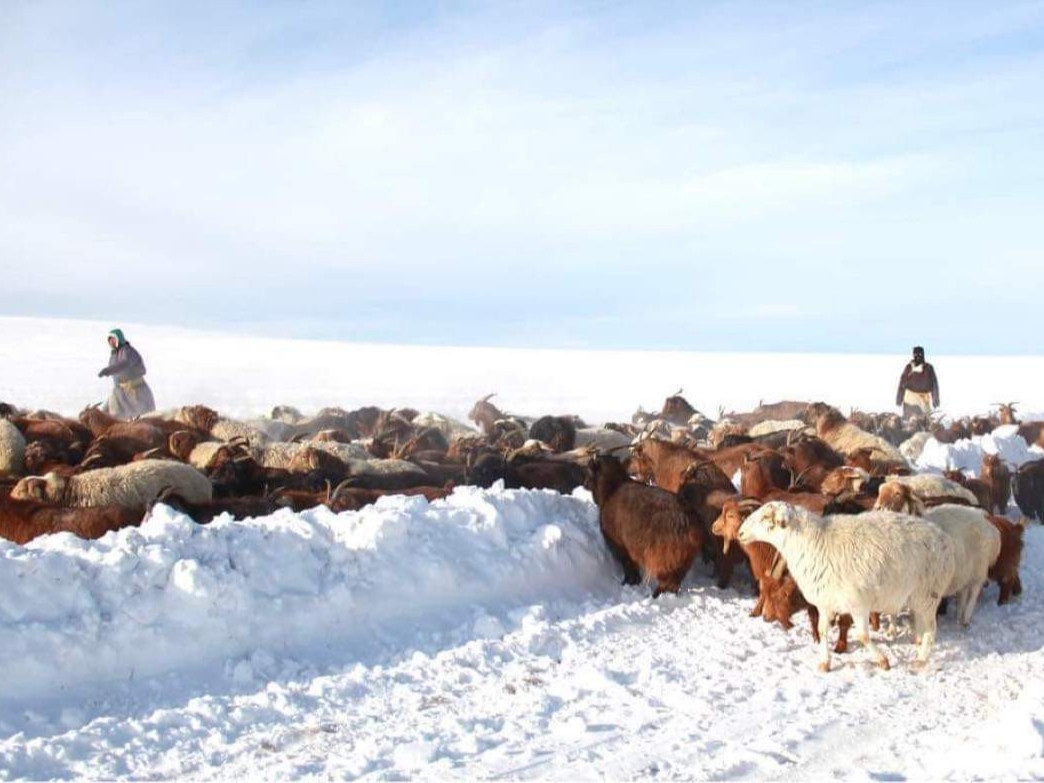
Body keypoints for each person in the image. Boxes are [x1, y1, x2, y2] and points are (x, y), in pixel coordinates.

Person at [97, 328, 156, 419]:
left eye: (113, 339)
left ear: (119, 339)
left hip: (136, 391)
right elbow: (116, 376)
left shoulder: (129, 351)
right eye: (110, 340)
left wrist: (109, 370)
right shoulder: (113, 355)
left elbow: (124, 364)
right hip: (120, 392)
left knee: (142, 417)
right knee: (107, 414)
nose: (111, 342)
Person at [895, 345, 939, 419]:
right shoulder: (908, 368)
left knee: (925, 420)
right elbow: (902, 383)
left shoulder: (928, 368)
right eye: (915, 354)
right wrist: (899, 398)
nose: (918, 356)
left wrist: (935, 399)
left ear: (923, 355)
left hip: (924, 400)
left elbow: (935, 384)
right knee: (910, 421)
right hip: (909, 400)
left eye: (920, 354)